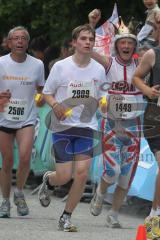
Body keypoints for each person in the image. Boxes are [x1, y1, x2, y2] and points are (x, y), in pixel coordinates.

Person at [38, 24, 106, 232]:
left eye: (91, 39)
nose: (87, 42)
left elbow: (102, 95)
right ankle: (49, 181)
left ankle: (66, 217)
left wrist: (104, 103)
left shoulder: (99, 69)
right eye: (83, 39)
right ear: (74, 42)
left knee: (82, 173)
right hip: (63, 127)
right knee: (64, 176)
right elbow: (47, 93)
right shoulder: (61, 67)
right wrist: (56, 105)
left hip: (87, 127)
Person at [88, 9, 143, 228]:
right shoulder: (109, 63)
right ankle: (100, 193)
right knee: (113, 170)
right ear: (116, 45)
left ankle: (114, 214)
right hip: (111, 123)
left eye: (130, 43)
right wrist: (91, 25)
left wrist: (158, 29)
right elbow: (90, 50)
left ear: (134, 46)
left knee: (126, 175)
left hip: (134, 126)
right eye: (123, 43)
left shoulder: (141, 65)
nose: (127, 46)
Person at [132, 24, 160, 239]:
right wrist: (147, 90)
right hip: (156, 121)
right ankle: (157, 213)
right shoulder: (154, 53)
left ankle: (156, 211)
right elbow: (136, 77)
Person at [0, 26, 45, 218]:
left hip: (27, 117)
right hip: (4, 116)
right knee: (8, 161)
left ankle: (19, 191)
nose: (19, 41)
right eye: (15, 38)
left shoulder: (37, 65)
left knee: (25, 157)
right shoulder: (1, 63)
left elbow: (42, 90)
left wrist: (41, 98)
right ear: (9, 43)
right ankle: (4, 201)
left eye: (23, 38)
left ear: (27, 43)